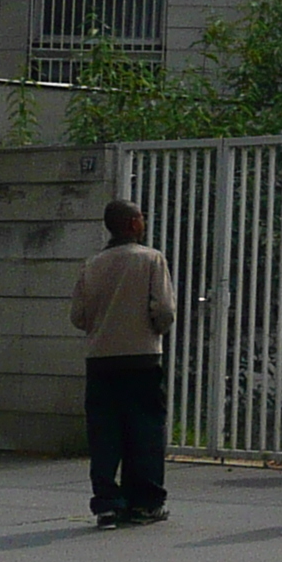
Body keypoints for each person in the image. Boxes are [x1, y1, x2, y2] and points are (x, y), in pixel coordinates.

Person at [69, 199, 176, 527]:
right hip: (142, 356)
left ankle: (107, 503)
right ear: (133, 224)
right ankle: (144, 501)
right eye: (141, 217)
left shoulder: (93, 264)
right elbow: (165, 311)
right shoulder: (151, 259)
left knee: (104, 433)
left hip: (101, 359)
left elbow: (78, 316)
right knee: (144, 430)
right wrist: (154, 328)